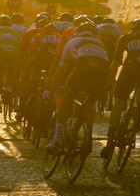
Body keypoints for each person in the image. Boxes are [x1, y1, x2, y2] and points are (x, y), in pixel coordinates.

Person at [100, 18, 140, 159]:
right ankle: (139, 110)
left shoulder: (126, 37)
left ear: (132, 29)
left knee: (119, 102)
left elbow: (115, 62)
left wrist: (109, 83)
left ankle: (110, 141)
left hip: (130, 68)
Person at [46, 22, 109, 151]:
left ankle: (56, 139)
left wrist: (52, 89)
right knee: (90, 102)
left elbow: (62, 70)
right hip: (100, 75)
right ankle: (88, 134)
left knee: (67, 98)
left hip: (81, 72)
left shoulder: (73, 42)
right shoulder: (99, 44)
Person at [0, 14, 21, 102]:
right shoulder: (15, 32)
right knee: (11, 72)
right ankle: (9, 88)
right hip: (12, 55)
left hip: (0, 55)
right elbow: (21, 47)